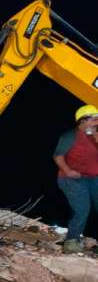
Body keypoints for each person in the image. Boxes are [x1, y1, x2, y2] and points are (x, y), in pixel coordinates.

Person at [54, 104, 98, 253]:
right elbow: (58, 156)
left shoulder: (94, 135)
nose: (97, 122)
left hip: (92, 178)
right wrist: (68, 170)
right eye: (94, 119)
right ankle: (71, 241)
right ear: (83, 121)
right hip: (71, 179)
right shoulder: (70, 136)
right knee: (82, 208)